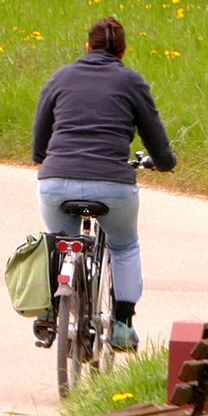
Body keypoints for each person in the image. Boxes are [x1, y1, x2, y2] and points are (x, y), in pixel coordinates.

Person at [31, 18, 177, 352]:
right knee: (124, 246)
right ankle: (123, 324)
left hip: (57, 181)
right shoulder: (131, 82)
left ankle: (49, 311)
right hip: (113, 185)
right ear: (123, 52)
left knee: (56, 242)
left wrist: (42, 156)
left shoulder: (61, 77)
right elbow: (154, 135)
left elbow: (41, 133)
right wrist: (165, 162)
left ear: (87, 47)